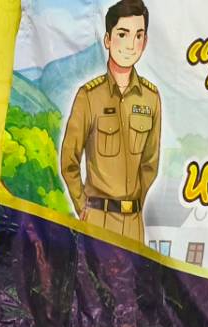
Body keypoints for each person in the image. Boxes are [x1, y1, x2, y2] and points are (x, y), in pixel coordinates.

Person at [59, 0, 162, 244]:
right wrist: (82, 205)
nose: (131, 45)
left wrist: (133, 205)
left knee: (132, 283)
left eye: (139, 36)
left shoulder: (151, 97)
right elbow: (68, 160)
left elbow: (150, 163)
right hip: (97, 218)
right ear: (107, 39)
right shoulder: (89, 96)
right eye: (123, 34)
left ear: (145, 42)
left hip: (134, 223)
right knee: (94, 283)